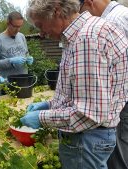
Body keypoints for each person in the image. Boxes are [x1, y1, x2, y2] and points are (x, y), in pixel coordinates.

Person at [21, 0, 128, 168]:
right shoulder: (83, 33)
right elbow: (82, 93)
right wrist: (50, 105)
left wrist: (41, 118)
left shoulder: (87, 38)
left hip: (85, 139)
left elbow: (89, 114)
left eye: (40, 25)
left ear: (56, 11)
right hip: (92, 137)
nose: (41, 33)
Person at [78, 0, 128, 168]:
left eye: (81, 11)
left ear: (89, 2)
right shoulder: (123, 13)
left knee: (118, 157)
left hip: (121, 103)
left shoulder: (110, 23)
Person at [0, 11, 34, 79]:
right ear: (8, 23)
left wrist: (28, 58)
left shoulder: (21, 36)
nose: (18, 29)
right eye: (15, 26)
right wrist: (10, 61)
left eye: (20, 26)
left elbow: (26, 53)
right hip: (8, 81)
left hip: (24, 78)